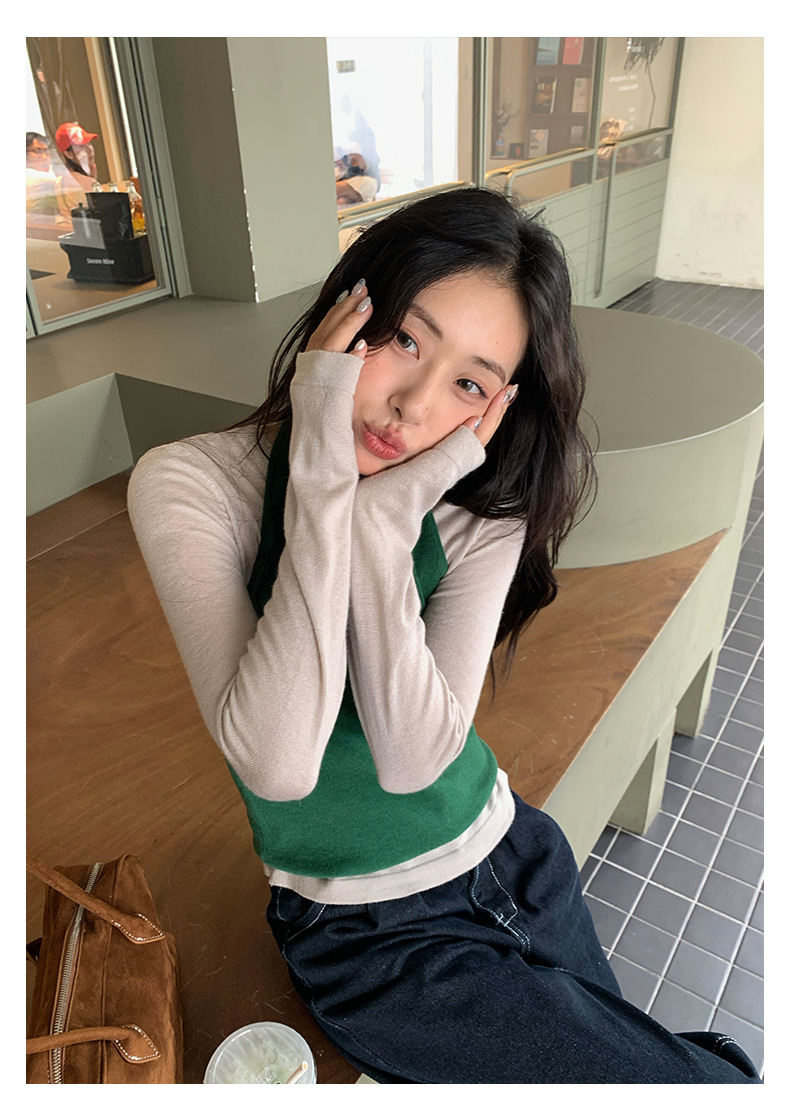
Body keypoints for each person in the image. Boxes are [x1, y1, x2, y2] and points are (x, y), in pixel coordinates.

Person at [128, 187, 761, 1084]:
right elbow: (278, 761)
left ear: (496, 408)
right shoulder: (191, 484)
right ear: (344, 315)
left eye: (468, 383)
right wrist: (327, 486)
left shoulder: (482, 516)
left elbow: (416, 759)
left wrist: (385, 530)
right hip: (371, 937)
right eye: (403, 339)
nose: (412, 405)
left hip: (514, 854)